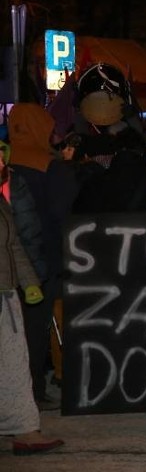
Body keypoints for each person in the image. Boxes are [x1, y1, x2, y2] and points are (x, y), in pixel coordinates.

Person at [7, 103, 78, 409]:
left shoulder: (6, 163)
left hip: (8, 260)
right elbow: (63, 213)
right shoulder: (50, 167)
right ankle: (33, 392)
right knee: (36, 329)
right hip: (41, 259)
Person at [1, 146, 64, 456]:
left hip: (6, 292)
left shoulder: (4, 196)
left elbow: (14, 242)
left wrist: (29, 283)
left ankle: (25, 429)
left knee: (14, 363)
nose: (3, 162)